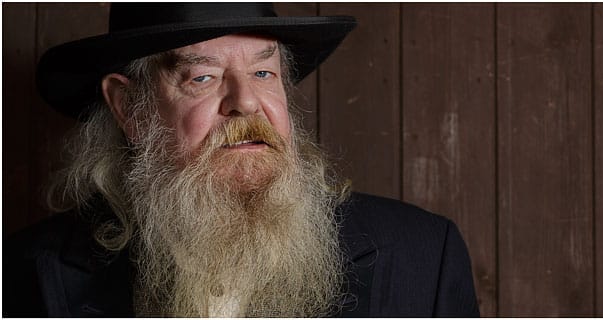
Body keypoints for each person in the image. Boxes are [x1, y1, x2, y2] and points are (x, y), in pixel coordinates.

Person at [3, 3, 479, 317]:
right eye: (203, 78)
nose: (247, 102)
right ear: (131, 109)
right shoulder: (22, 274)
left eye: (263, 71)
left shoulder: (423, 255)